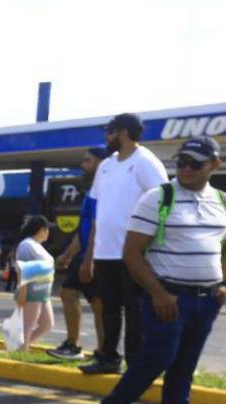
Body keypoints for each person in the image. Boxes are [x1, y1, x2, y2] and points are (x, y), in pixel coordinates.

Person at [92, 136, 226, 404]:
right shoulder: (158, 198)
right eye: (181, 162)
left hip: (207, 300)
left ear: (215, 165)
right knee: (157, 358)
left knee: (184, 364)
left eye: (195, 163)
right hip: (169, 297)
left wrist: (222, 285)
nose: (186, 169)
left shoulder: (221, 201)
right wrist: (158, 293)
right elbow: (132, 253)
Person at [79, 113, 168, 374]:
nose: (106, 137)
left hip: (134, 254)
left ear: (124, 133)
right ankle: (108, 358)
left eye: (110, 131)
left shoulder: (146, 162)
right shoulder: (106, 166)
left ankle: (136, 362)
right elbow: (99, 214)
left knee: (135, 310)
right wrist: (89, 256)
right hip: (105, 252)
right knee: (109, 308)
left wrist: (153, 249)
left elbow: (163, 207)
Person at [50, 147, 110, 360]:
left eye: (87, 161)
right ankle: (74, 344)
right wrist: (67, 255)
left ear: (102, 164)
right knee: (70, 293)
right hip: (85, 256)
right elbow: (83, 230)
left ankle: (104, 350)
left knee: (98, 303)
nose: (82, 165)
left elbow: (100, 227)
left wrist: (89, 260)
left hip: (97, 257)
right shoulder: (90, 192)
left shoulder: (107, 190)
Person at [14, 215, 56, 352]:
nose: (49, 233)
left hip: (42, 292)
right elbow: (22, 269)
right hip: (32, 292)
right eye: (48, 229)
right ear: (42, 229)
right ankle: (22, 351)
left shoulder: (37, 246)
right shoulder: (27, 245)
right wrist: (23, 294)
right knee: (28, 326)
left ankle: (21, 348)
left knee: (47, 324)